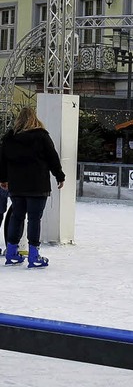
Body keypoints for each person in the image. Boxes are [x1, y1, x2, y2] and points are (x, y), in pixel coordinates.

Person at [0, 106, 65, 268]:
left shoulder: (9, 138)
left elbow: (2, 160)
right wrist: (59, 175)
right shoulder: (41, 136)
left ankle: (11, 252)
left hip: (16, 185)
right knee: (34, 219)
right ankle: (34, 255)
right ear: (34, 118)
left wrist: (3, 178)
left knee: (17, 217)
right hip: (37, 184)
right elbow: (52, 157)